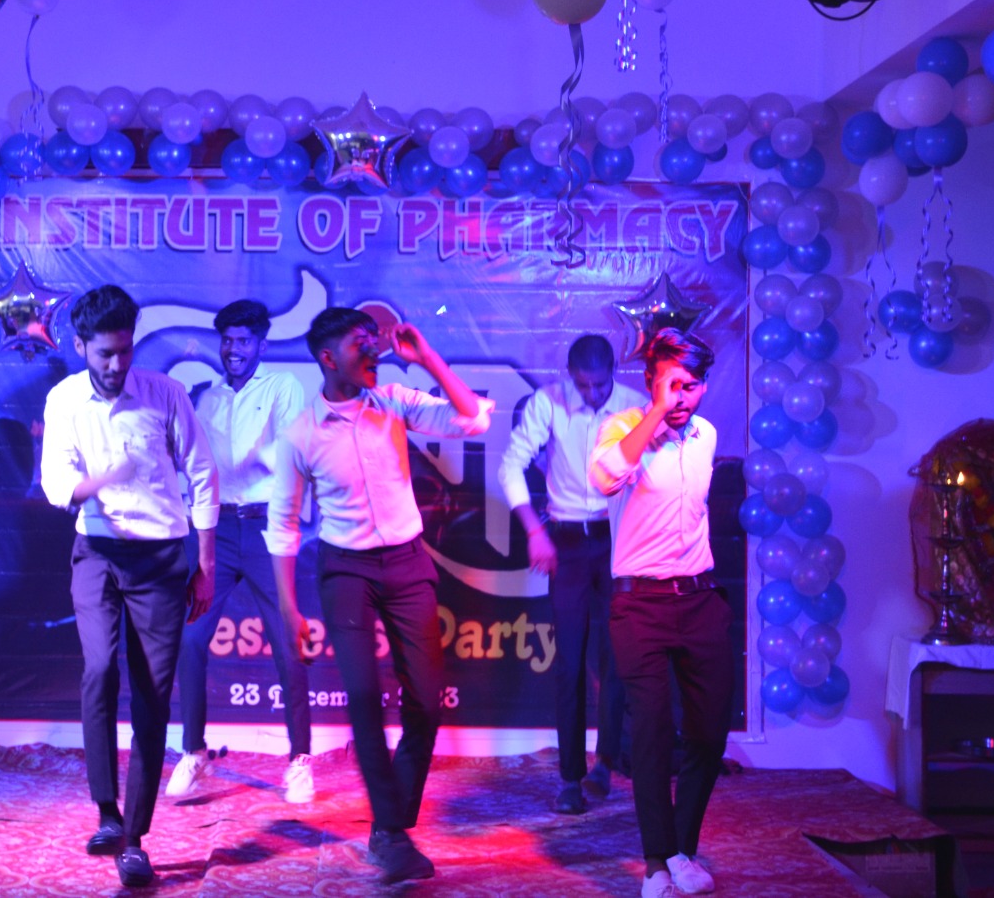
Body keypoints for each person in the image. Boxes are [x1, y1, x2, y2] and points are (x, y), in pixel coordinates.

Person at [268, 308, 492, 884]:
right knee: (365, 701)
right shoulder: (301, 434)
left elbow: (472, 421)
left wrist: (427, 358)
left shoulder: (392, 400)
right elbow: (283, 526)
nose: (373, 351)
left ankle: (390, 825)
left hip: (408, 563)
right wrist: (290, 609)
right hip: (347, 571)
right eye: (359, 344)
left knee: (425, 702)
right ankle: (392, 836)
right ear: (327, 358)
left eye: (375, 341)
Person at [39, 284, 218, 888]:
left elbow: (202, 474)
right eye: (104, 354)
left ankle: (136, 840)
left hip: (161, 558)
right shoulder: (65, 399)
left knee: (152, 695)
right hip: (96, 551)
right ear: (80, 346)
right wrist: (98, 482)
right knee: (98, 670)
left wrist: (205, 563)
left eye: (124, 351)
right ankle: (107, 813)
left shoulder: (165, 394)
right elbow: (56, 481)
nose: (116, 364)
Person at [590, 328, 730, 898]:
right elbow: (605, 479)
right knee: (649, 732)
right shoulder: (622, 428)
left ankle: (680, 850)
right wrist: (653, 416)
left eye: (691, 386)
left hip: (698, 598)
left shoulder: (705, 436)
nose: (682, 397)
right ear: (650, 383)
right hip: (639, 604)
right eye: (672, 385)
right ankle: (655, 864)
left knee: (708, 733)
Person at [167, 299, 313, 803]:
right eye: (227, 340)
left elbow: (290, 452)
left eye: (244, 341)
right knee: (190, 638)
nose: (234, 349)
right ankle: (193, 752)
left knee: (287, 643)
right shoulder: (206, 398)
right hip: (217, 531)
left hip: (266, 528)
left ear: (261, 345)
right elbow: (196, 465)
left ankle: (299, 759)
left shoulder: (282, 387)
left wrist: (252, 461)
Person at [499, 334, 642, 814]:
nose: (593, 394)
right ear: (570, 376)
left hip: (618, 541)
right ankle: (569, 777)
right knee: (569, 661)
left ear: (614, 373)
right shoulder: (549, 402)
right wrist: (534, 532)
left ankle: (607, 760)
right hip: (567, 542)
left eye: (600, 385)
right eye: (583, 385)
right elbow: (510, 467)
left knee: (617, 654)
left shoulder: (635, 407)